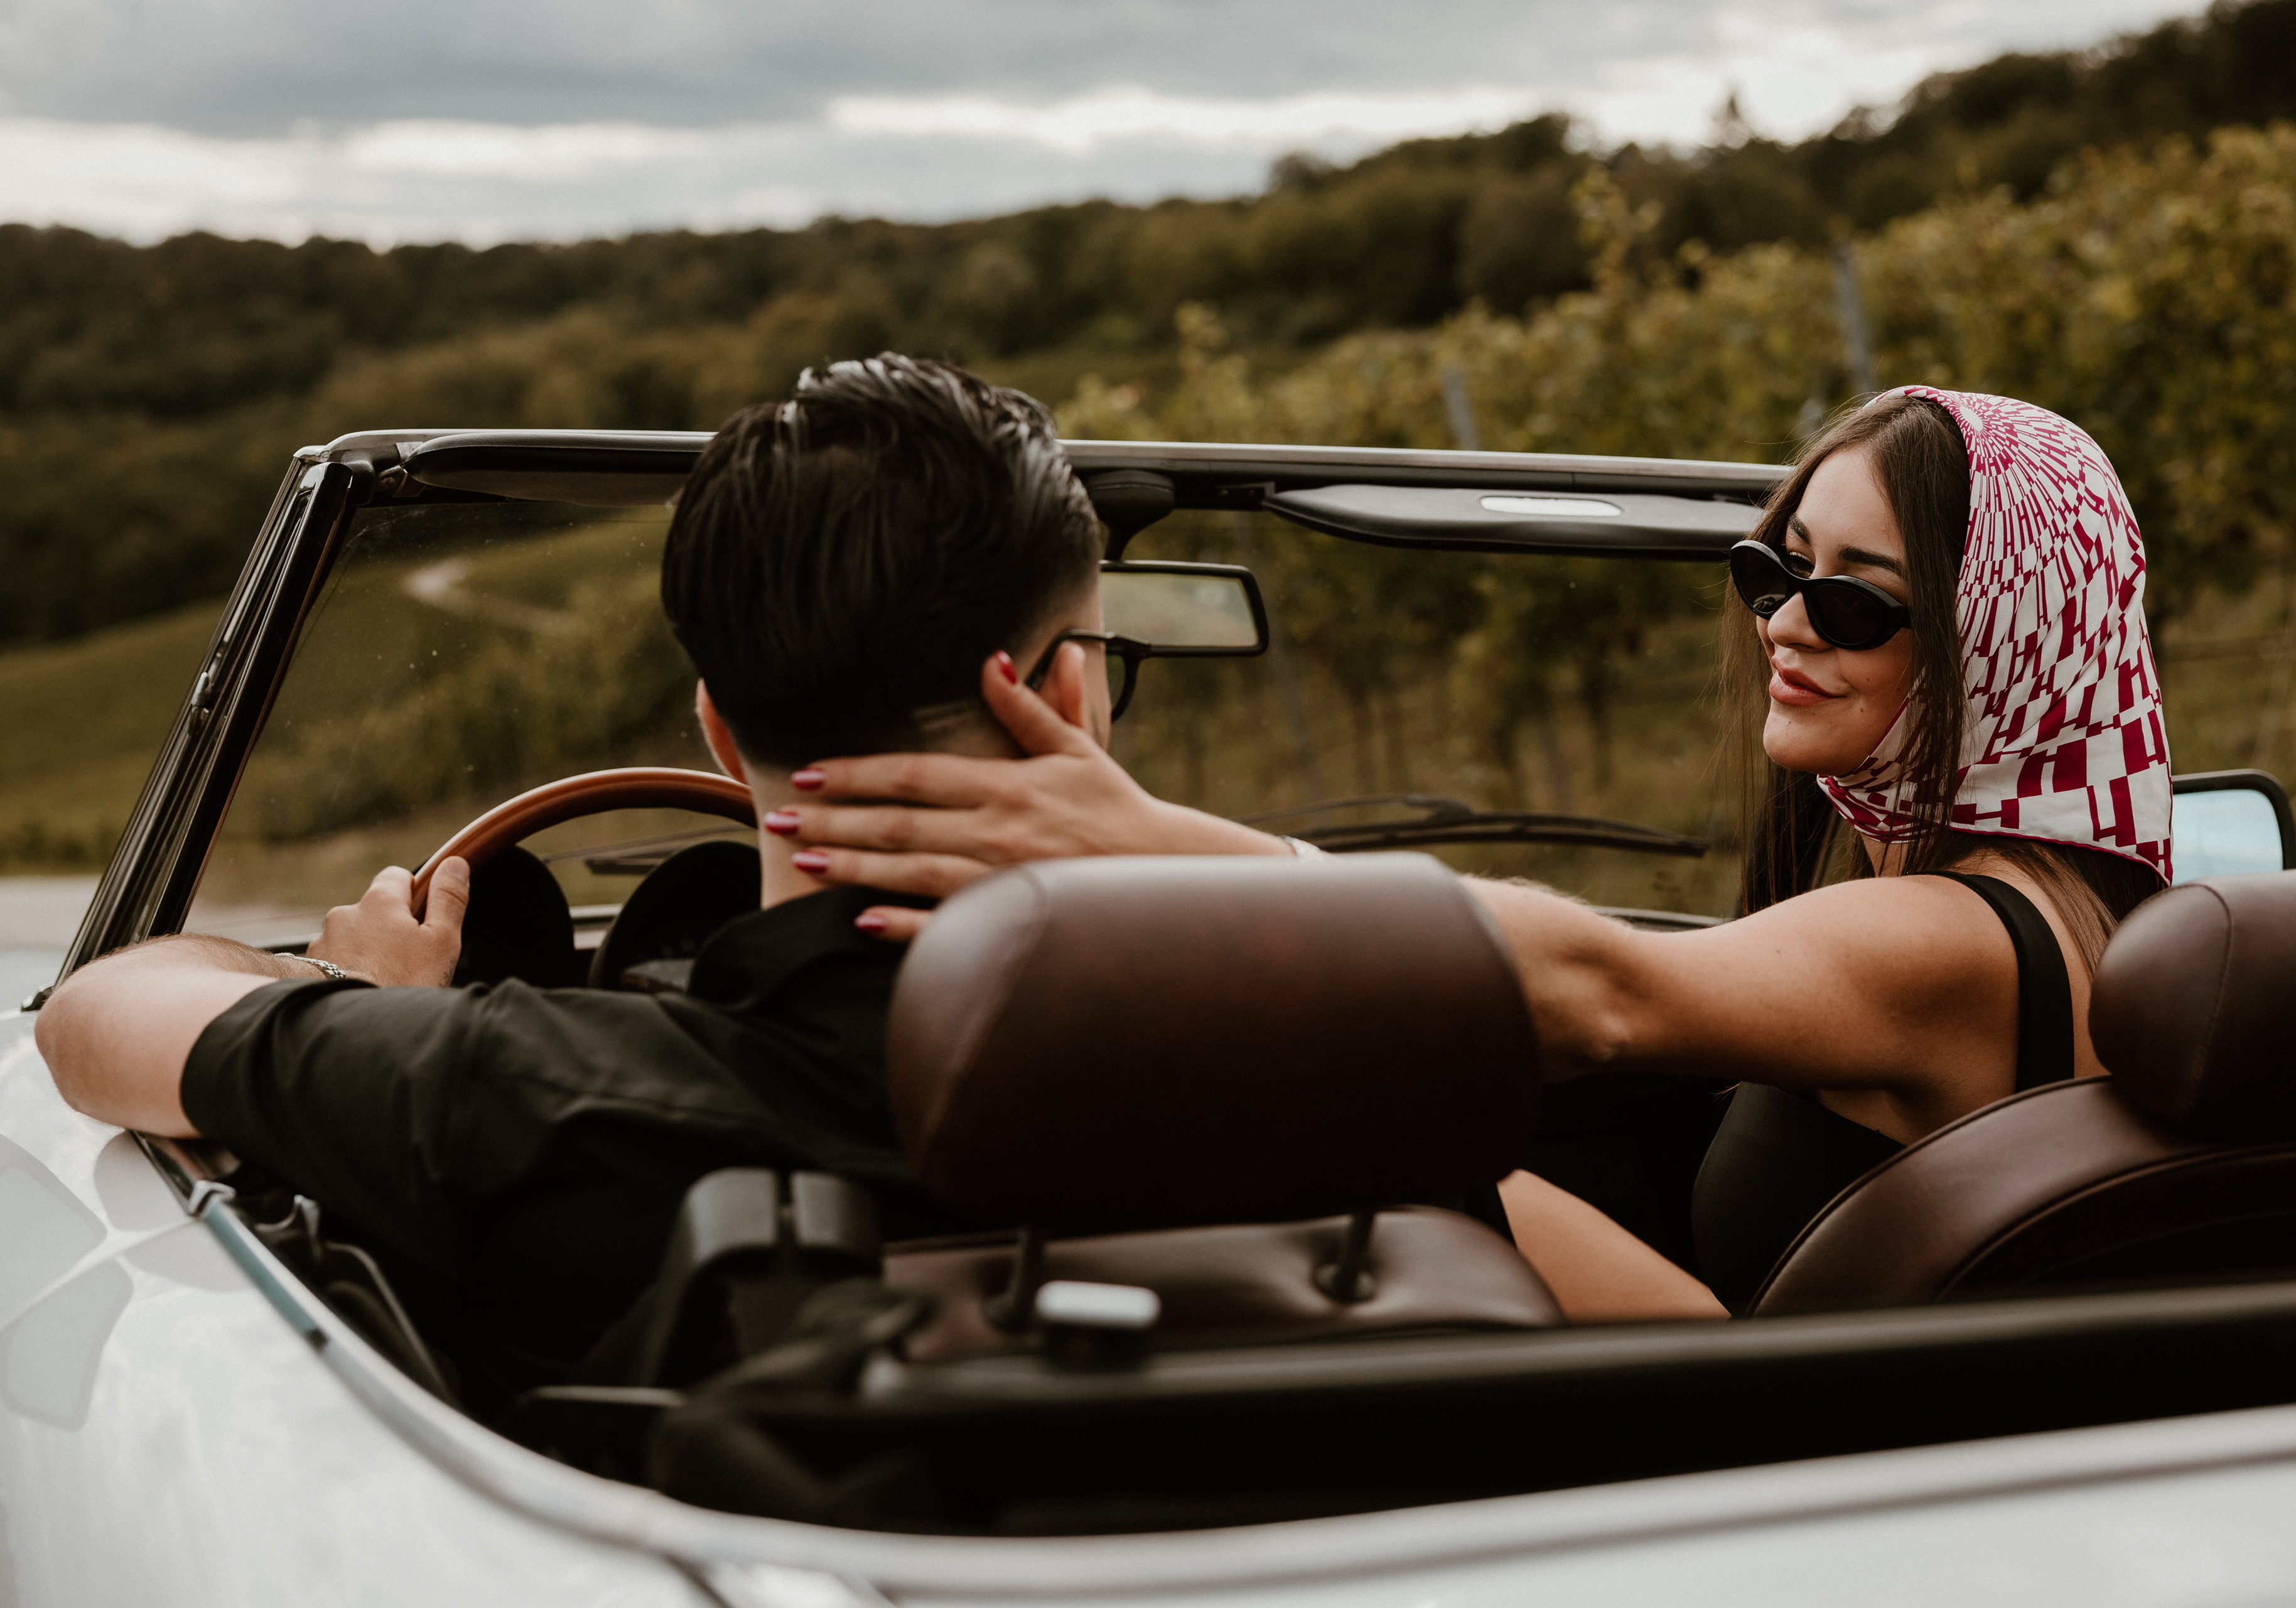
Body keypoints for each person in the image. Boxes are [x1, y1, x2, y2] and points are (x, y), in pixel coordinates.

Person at [766, 387, 2174, 1321]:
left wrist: (1150, 854)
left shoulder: (1959, 940)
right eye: (1773, 566)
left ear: (2005, 647)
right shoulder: (2020, 908)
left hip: (1805, 1464)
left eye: (1857, 601)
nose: (1785, 623)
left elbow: (1600, 988)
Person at [37, 355, 1125, 1413]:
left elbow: (88, 1015)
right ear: (1073, 700)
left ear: (717, 725)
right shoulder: (1224, 1051)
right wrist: (1211, 857)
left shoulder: (494, 1090)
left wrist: (347, 992)